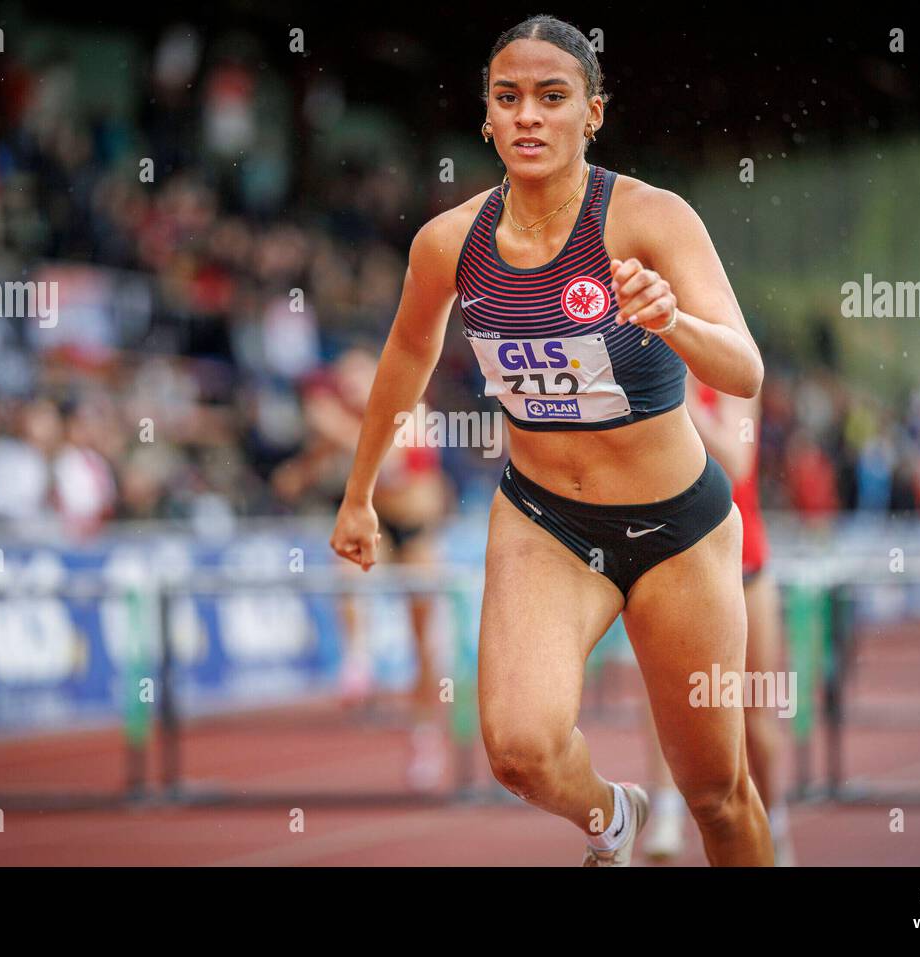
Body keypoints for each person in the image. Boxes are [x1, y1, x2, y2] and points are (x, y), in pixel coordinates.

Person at [329, 15, 771, 864]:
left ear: (593, 113)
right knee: (520, 752)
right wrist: (357, 495)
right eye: (509, 98)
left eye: (552, 96)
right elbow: (403, 363)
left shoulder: (650, 218)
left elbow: (745, 368)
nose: (528, 115)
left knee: (718, 793)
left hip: (677, 526)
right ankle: (613, 818)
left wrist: (671, 319)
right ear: (487, 120)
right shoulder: (448, 244)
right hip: (546, 524)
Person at [274, 346, 452, 790]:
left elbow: (389, 464)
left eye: (358, 376)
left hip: (415, 530)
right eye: (345, 379)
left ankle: (424, 732)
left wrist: (332, 425)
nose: (351, 386)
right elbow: (304, 473)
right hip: (374, 525)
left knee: (422, 635)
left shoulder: (411, 410)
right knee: (347, 570)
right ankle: (357, 656)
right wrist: (300, 471)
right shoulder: (347, 419)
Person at [640, 372, 796, 865]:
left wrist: (682, 400)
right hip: (675, 564)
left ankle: (777, 830)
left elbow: (737, 461)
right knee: (668, 703)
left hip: (744, 566)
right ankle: (666, 810)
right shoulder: (639, 368)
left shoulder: (726, 372)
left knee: (756, 728)